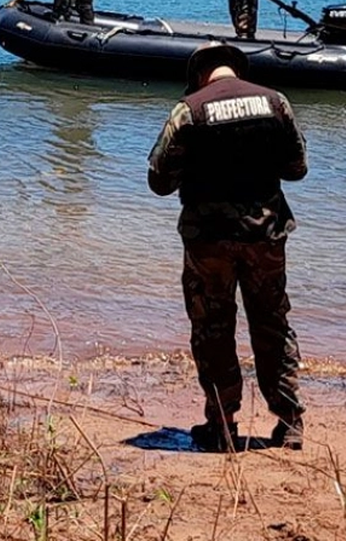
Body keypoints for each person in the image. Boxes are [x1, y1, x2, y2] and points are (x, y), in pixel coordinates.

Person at [147, 42, 308, 452]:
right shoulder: (276, 103)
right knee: (272, 323)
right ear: (236, 70)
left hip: (209, 240)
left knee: (213, 327)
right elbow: (297, 170)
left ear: (200, 75)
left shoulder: (190, 110)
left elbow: (159, 181)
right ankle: (290, 423)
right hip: (265, 236)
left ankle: (222, 423)